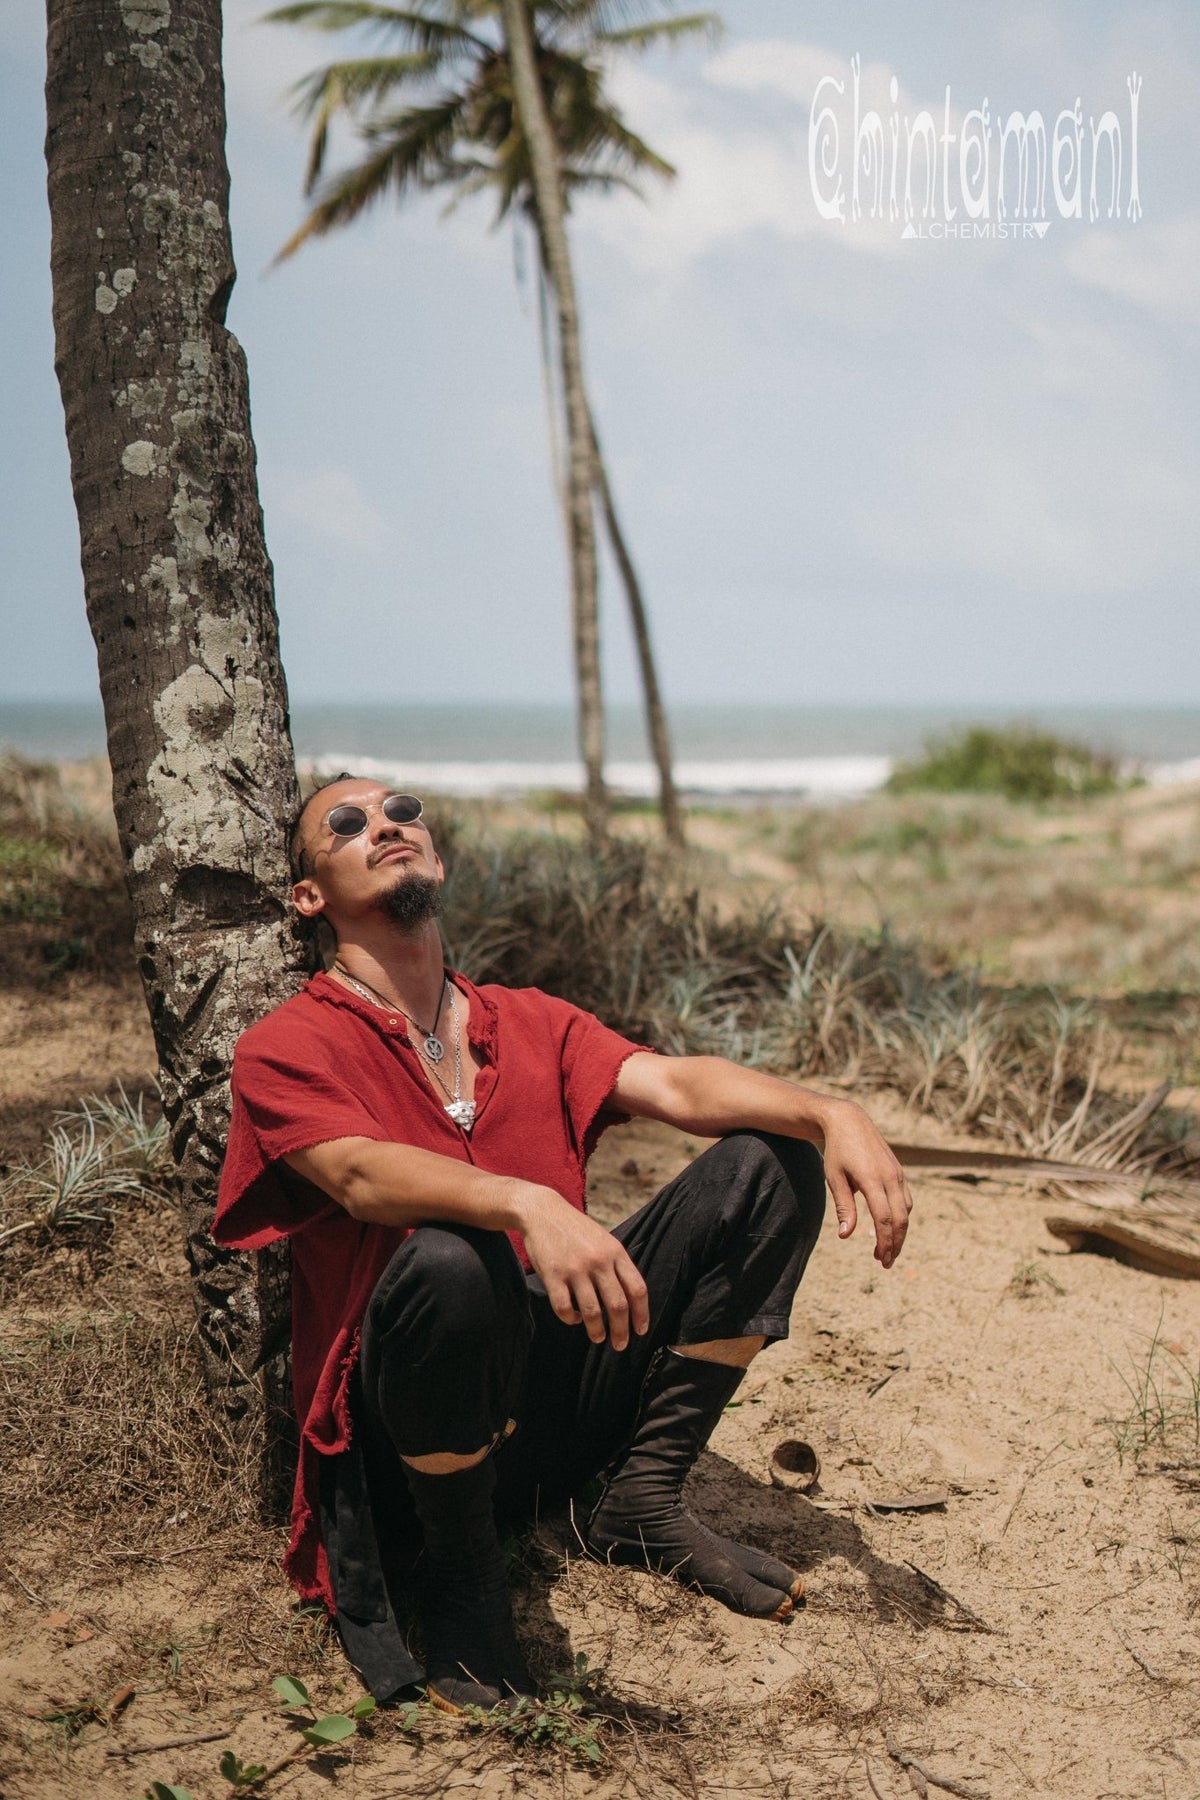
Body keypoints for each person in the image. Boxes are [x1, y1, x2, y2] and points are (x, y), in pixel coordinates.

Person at [213, 777, 913, 1714]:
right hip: (411, 1430)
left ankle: (642, 1497)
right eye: (346, 824)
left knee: (771, 1163)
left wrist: (832, 1113)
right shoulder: (286, 1044)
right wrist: (524, 1201)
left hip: (548, 1400)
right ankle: (466, 1581)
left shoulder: (528, 1019)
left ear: (438, 856)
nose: (384, 824)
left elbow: (676, 1087)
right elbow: (359, 1178)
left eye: (402, 810)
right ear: (311, 896)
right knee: (450, 1259)